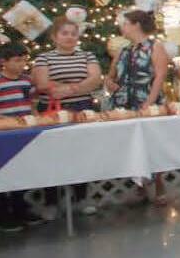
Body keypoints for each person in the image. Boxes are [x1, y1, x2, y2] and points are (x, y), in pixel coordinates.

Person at [32, 17, 106, 215]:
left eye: (73, 34)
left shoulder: (88, 56)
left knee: (81, 153)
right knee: (51, 155)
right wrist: (77, 86)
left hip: (82, 108)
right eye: (64, 33)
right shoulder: (44, 58)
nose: (69, 37)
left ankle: (80, 197)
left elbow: (95, 79)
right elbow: (42, 84)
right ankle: (50, 202)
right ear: (54, 36)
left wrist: (70, 89)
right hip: (53, 111)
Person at [107, 9, 172, 205]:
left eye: (125, 23)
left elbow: (160, 76)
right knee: (132, 145)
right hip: (125, 102)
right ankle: (140, 185)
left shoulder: (155, 46)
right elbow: (111, 75)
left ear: (136, 25)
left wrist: (149, 102)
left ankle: (159, 184)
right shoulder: (124, 50)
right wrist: (110, 83)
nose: (122, 27)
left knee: (153, 143)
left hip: (147, 101)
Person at [0, 43, 41, 232]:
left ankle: (20, 208)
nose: (21, 64)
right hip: (4, 135)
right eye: (17, 60)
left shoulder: (26, 81)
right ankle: (3, 214)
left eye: (24, 60)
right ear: (3, 62)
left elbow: (31, 104)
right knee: (2, 173)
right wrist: (9, 120)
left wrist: (35, 118)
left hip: (24, 133)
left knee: (22, 172)